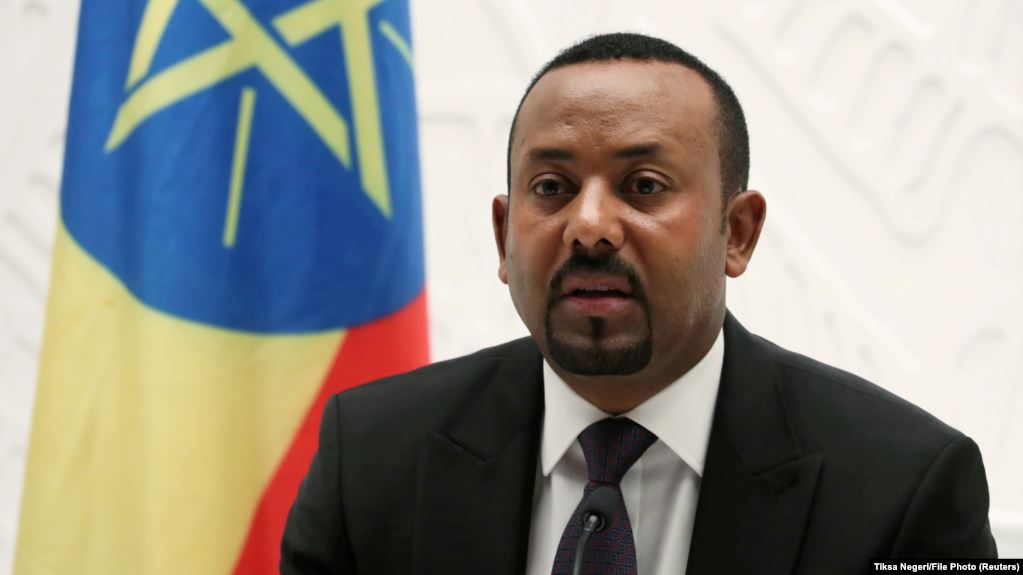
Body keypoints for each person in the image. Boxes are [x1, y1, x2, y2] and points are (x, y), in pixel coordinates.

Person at [280, 32, 997, 574]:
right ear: (503, 236)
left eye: (644, 186)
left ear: (738, 233)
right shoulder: (372, 455)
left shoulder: (905, 485)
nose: (589, 225)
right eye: (552, 188)